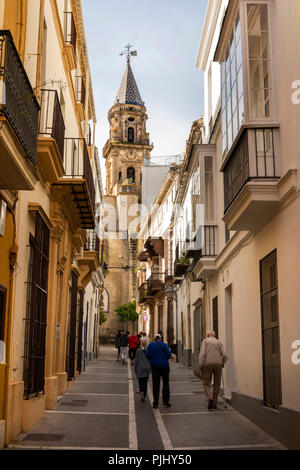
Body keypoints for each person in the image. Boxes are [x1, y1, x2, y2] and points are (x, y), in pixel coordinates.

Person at [198, 330, 228, 410]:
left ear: (207, 335)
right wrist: (222, 362)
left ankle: (210, 397)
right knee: (217, 384)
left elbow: (202, 354)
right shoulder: (219, 342)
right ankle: (214, 403)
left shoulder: (205, 341)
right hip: (218, 364)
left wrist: (200, 365)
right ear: (214, 336)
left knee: (206, 383)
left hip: (207, 364)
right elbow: (224, 355)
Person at [146, 333, 171, 409]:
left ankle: (155, 403)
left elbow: (147, 355)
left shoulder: (150, 345)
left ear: (154, 338)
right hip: (164, 366)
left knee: (156, 384)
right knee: (166, 384)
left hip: (155, 366)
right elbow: (169, 355)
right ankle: (165, 402)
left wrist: (152, 359)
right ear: (160, 338)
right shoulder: (164, 345)